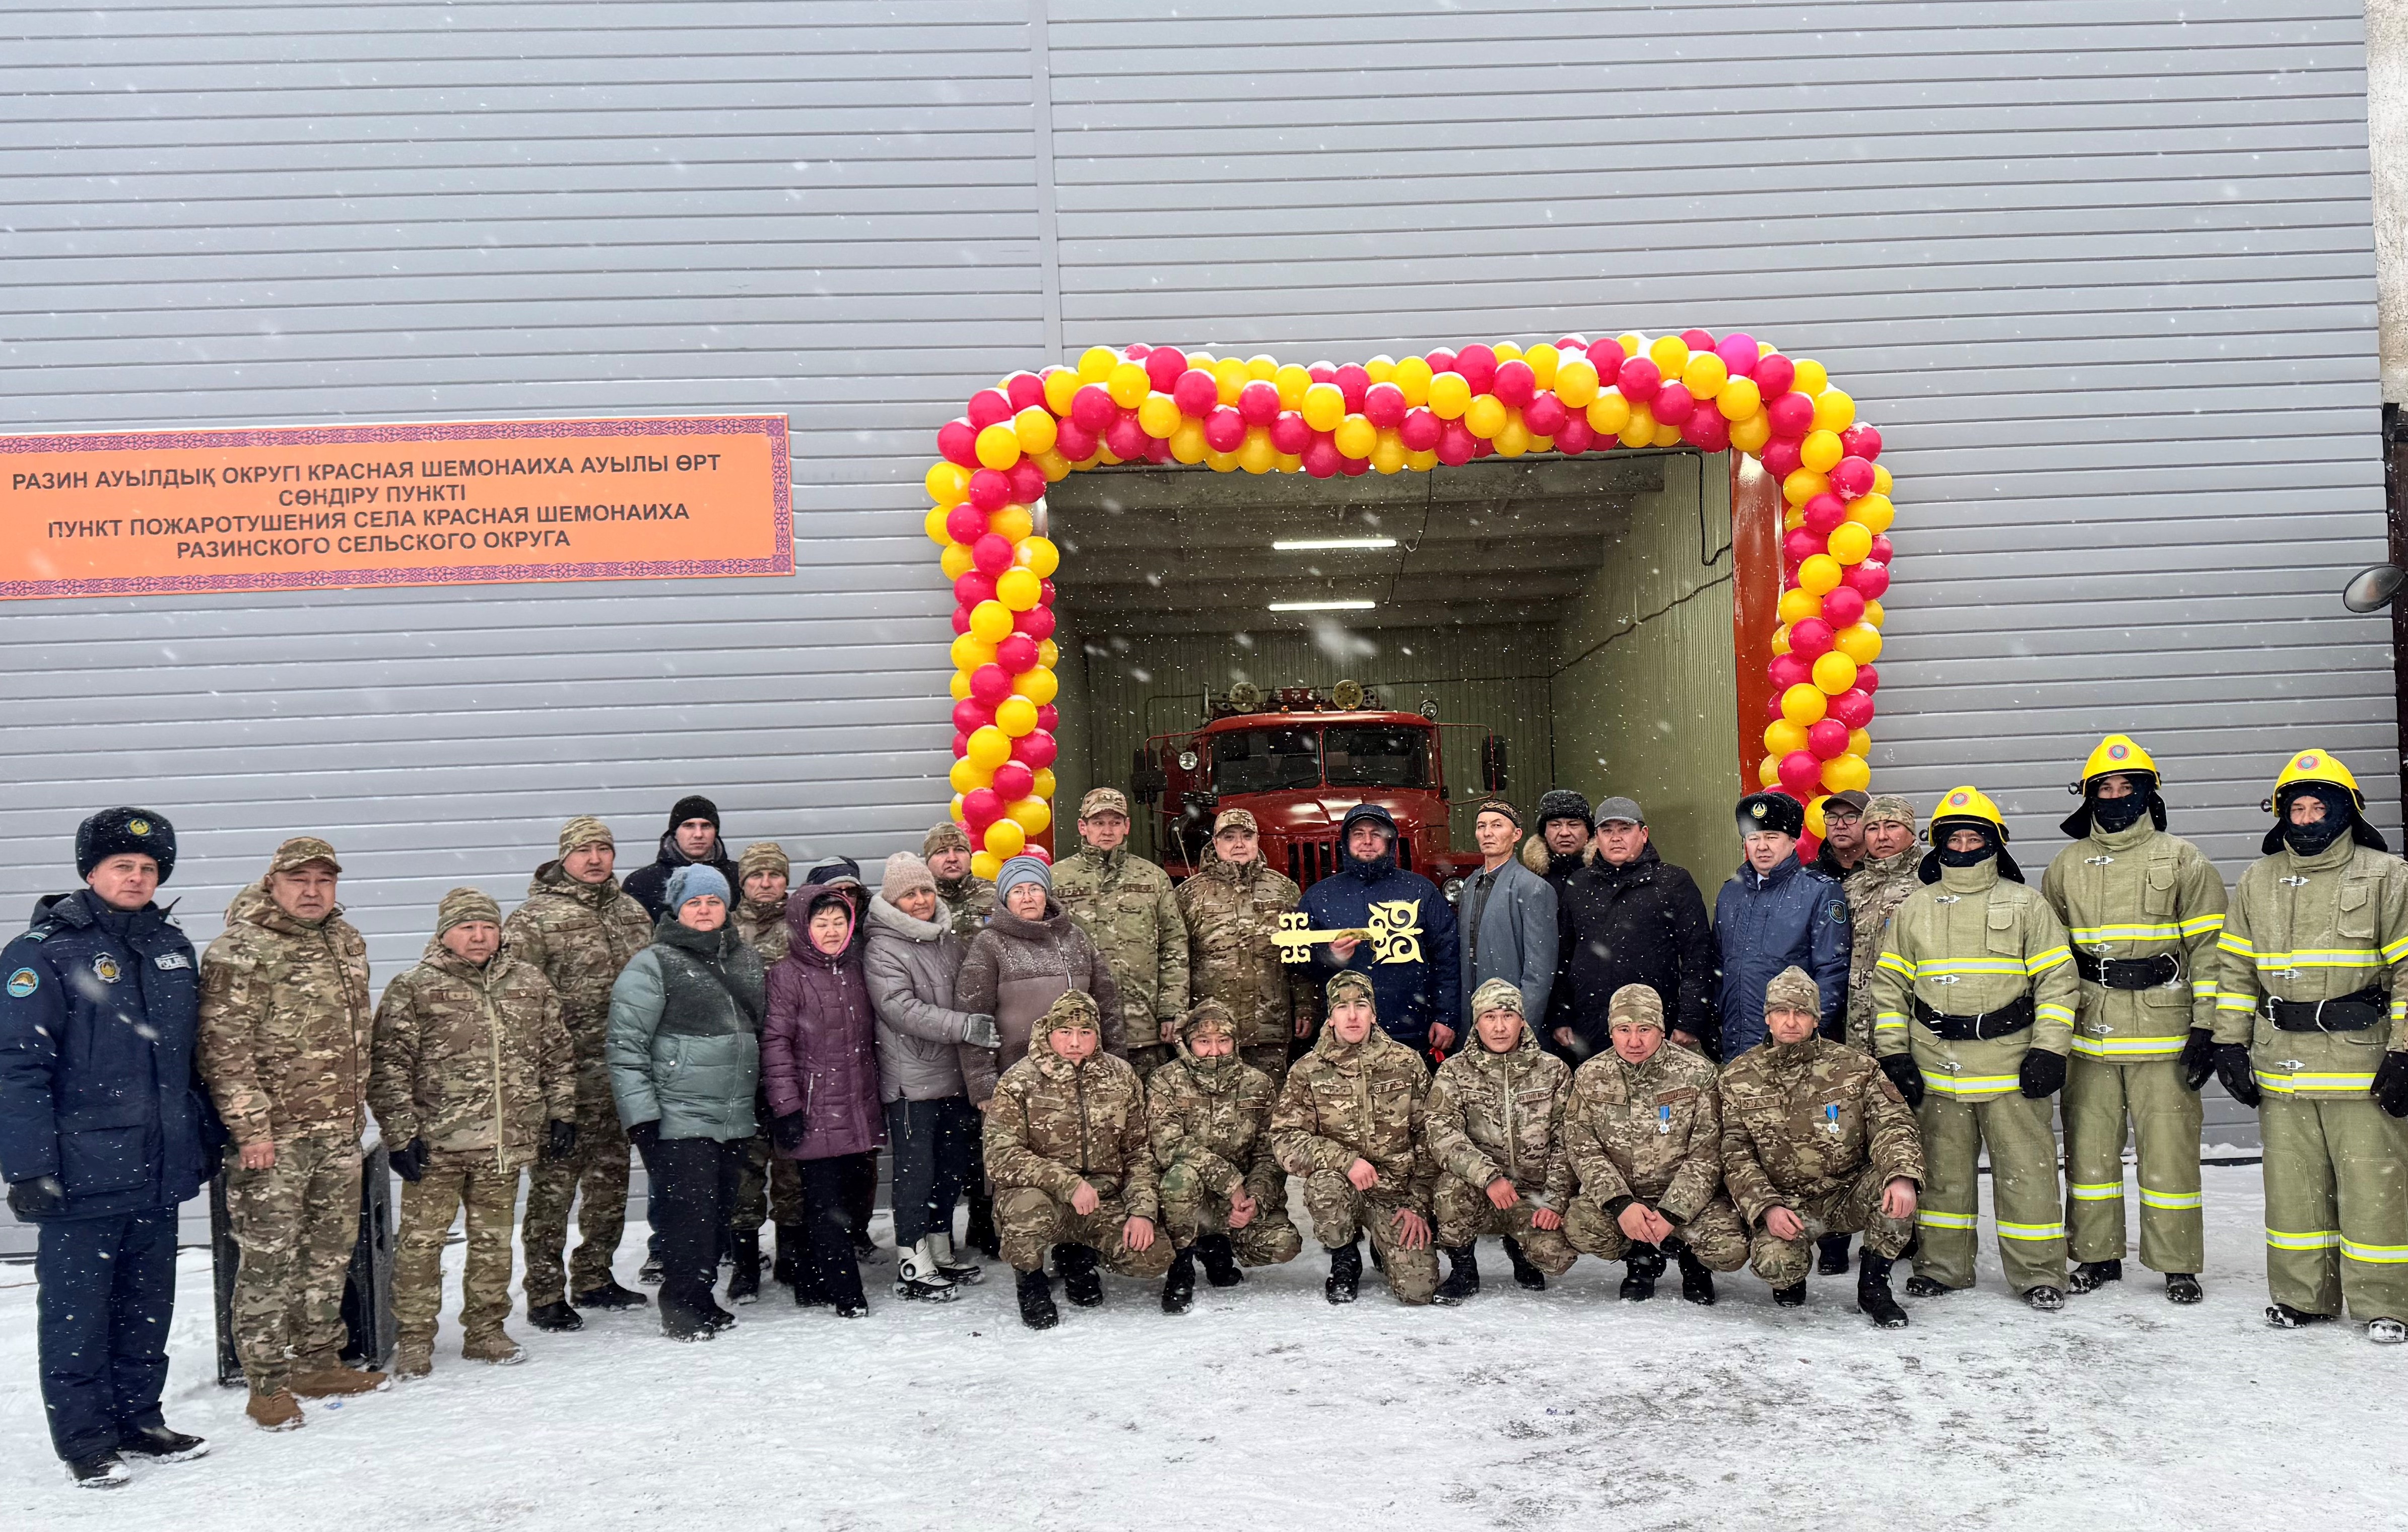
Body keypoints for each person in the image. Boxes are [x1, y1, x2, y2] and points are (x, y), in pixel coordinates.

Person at [0, 810, 218, 1488]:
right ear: (90, 871)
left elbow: (193, 1060)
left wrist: (203, 1137)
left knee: (147, 1303)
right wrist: (28, 1166)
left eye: (150, 868)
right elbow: (17, 1066)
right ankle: (86, 1440)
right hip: (82, 1174)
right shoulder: (42, 952)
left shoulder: (170, 946)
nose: (137, 876)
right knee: (78, 1313)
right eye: (122, 864)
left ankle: (140, 1421)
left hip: (158, 1168)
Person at [2213, 748, 2408, 1342]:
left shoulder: (2388, 873)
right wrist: (2228, 1042)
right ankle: (2303, 1297)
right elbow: (2235, 971)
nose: (2304, 816)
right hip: (2283, 1064)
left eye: (2316, 805)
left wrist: (2403, 1050)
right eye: (2294, 806)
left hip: (2359, 1063)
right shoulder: (2258, 878)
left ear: (2345, 809)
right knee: (2293, 1192)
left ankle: (2386, 1305)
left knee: (2374, 1192)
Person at [197, 836, 383, 1427]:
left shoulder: (345, 940)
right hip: (273, 1137)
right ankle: (266, 1380)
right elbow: (225, 1048)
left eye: (323, 880)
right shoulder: (240, 948)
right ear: (272, 882)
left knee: (328, 1252)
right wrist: (252, 1128)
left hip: (336, 1129)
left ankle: (317, 1357)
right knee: (268, 1257)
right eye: (299, 879)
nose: (312, 890)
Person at [1870, 787, 2079, 1311]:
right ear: (1938, 845)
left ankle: (2037, 1272)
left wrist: (2049, 1050)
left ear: (1994, 842)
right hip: (1937, 1065)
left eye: (1974, 836)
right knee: (1942, 1176)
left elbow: (2058, 979)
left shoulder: (2026, 903)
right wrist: (1895, 1054)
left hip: (2011, 1066)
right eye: (1953, 837)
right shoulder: (1915, 908)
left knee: (2027, 1176)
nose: (1963, 845)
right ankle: (1942, 1265)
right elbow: (1890, 987)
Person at [2041, 736, 2228, 1305]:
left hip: (2164, 1031)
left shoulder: (2184, 858)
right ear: (2089, 795)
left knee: (2168, 1153)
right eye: (2105, 787)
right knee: (2089, 1153)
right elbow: (2048, 958)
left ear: (2148, 793)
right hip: (2088, 1030)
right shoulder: (2065, 865)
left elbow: (2211, 950)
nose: (2116, 796)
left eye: (2127, 787)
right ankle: (2096, 1255)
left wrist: (2208, 1027)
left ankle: (2176, 1262)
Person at [368, 888, 576, 1377]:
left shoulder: (529, 983)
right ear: (444, 934)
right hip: (436, 1143)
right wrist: (400, 1133)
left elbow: (557, 1052)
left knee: (493, 1241)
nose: (479, 935)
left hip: (503, 1142)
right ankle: (416, 1336)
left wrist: (562, 1111)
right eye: (466, 926)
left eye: (488, 925)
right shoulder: (415, 987)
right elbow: (389, 1066)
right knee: (421, 1244)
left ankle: (486, 1330)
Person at [505, 816, 654, 1330]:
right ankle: (545, 1292)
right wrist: (536, 1087)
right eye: (584, 849)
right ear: (563, 856)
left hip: (622, 1077)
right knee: (553, 1190)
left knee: (610, 1184)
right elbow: (515, 1005)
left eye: (604, 849)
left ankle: (594, 1276)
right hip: (562, 1083)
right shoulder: (533, 920)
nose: (595, 858)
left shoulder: (633, 913)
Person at [607, 865, 765, 1341]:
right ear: (677, 909)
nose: (704, 910)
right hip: (679, 1115)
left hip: (733, 1113)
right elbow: (625, 1044)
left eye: (713, 901)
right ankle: (680, 1304)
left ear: (726, 907)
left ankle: (702, 1298)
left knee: (715, 1213)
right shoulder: (653, 963)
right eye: (694, 902)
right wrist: (641, 1119)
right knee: (687, 1217)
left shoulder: (745, 960)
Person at [1718, 967, 1923, 1326]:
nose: (1792, 1021)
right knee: (1776, 1265)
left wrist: (1900, 1174)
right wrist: (1766, 1208)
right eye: (1783, 1011)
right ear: (1768, 1017)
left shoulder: (1856, 1068)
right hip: (1786, 1203)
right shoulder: (1738, 1077)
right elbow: (1736, 1154)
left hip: (1847, 1192)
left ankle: (1874, 1287)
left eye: (1802, 1012)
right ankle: (1792, 1277)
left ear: (1816, 1019)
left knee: (1896, 1190)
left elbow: (1893, 1123)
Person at [985, 990, 1174, 1329]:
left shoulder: (1121, 1076)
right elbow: (1000, 1155)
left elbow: (1138, 1152)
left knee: (1154, 1256)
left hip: (1103, 1198)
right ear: (1048, 1032)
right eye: (1065, 1032)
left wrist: (1142, 1211)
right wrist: (1068, 1183)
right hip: (1044, 1196)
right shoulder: (1019, 1080)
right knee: (1026, 1213)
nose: (1075, 1042)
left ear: (1097, 1035)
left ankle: (1077, 1258)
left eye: (1085, 1032)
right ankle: (1031, 1282)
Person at [1560, 983, 1749, 1303]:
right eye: (1624, 1030)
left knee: (1730, 1250)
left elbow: (1709, 1152)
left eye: (1644, 1029)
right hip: (1628, 1196)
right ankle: (1641, 1258)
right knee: (1580, 1226)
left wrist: (1673, 1213)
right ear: (1611, 1032)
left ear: (1661, 1030)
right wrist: (1620, 1204)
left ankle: (1694, 1262)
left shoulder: (1698, 1074)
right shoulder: (1591, 1076)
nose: (1634, 1041)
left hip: (1690, 1199)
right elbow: (1583, 1148)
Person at [864, 853, 998, 1300]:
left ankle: (940, 1246)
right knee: (916, 1171)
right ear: (892, 900)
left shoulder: (947, 939)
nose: (921, 900)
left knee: (950, 1167)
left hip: (951, 1074)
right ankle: (912, 1255)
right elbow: (899, 1008)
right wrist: (963, 1026)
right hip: (911, 1080)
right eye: (910, 894)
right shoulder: (882, 947)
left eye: (925, 890)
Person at [1269, 970, 1442, 1305]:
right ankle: (1344, 1256)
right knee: (1323, 1185)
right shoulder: (1308, 1069)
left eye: (1361, 1005)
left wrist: (1418, 1202)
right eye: (1342, 1007)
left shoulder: (1406, 1062)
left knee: (1419, 1290)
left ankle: (1383, 1241)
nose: (1352, 1015)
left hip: (1397, 1191)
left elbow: (1431, 1136)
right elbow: (1285, 1139)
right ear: (1330, 1017)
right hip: (1342, 1185)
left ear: (1373, 1014)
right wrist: (1346, 1161)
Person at [760, 880, 884, 1317]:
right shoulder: (786, 975)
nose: (832, 931)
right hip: (814, 1108)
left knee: (850, 1200)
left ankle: (813, 1279)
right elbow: (776, 1044)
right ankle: (846, 1292)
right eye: (821, 923)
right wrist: (787, 1106)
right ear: (802, 926)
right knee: (823, 1205)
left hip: (856, 1106)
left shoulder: (854, 969)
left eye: (839, 922)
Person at [1819, 792, 1923, 1276]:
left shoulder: (1930, 882)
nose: (1882, 837)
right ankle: (1846, 1227)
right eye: (1875, 828)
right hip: (1855, 1031)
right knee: (1851, 1130)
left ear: (1911, 831)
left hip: (1909, 1029)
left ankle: (1911, 1229)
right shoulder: (1852, 887)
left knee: (1911, 1128)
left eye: (1892, 828)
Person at [1424, 977, 1577, 1302]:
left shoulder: (1553, 1071)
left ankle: (1521, 1247)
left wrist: (1555, 1199)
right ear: (1476, 1024)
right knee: (1450, 1189)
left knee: (1557, 1257)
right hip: (1479, 1191)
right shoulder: (1454, 1071)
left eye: (1508, 1016)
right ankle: (1464, 1268)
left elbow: (1570, 1139)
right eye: (1489, 1017)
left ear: (1522, 1021)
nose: (1499, 1027)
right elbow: (1441, 1133)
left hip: (1532, 1196)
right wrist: (1489, 1177)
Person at [1146, 1000, 1301, 1313]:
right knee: (1181, 1178)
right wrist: (1229, 1180)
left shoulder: (1258, 1085)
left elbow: (1269, 1153)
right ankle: (1182, 1264)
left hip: (1236, 1202)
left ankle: (1217, 1247)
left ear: (1235, 1042)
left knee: (1283, 1244)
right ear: (1189, 1043)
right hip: (1187, 1201)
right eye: (1204, 1042)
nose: (1214, 1051)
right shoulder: (1165, 1081)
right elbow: (1169, 1145)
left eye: (1223, 1041)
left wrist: (1255, 1198)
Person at [1546, 796, 1716, 1063]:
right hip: (1590, 1027)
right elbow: (1562, 957)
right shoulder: (1578, 885)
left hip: (1653, 1026)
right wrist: (1560, 1015)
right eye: (1607, 830)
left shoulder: (1673, 883)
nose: (1616, 838)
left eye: (1624, 829)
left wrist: (1690, 1020)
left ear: (1643, 834)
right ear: (1596, 837)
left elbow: (1699, 957)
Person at [1298, 803, 1462, 1063]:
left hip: (1411, 1030)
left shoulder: (1419, 891)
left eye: (1376, 834)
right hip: (1342, 1034)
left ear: (1390, 840)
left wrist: (1446, 1016)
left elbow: (1447, 957)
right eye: (1358, 834)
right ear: (1346, 841)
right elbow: (1300, 962)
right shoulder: (1320, 897)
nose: (1367, 841)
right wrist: (1331, 956)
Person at [957, 854, 1123, 1104]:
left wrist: (1117, 1065)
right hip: (1016, 1079)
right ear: (1004, 898)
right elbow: (975, 1017)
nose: (1027, 898)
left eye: (1035, 889)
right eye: (1017, 891)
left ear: (1046, 895)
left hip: (1082, 1075)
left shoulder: (1074, 937)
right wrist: (983, 1086)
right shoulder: (990, 944)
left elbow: (1107, 1005)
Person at [1055, 787, 1189, 1076]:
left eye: (1115, 822)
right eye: (1098, 822)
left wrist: (1171, 1010)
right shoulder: (1057, 880)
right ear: (1083, 827)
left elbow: (1174, 946)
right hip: (1079, 1030)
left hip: (1143, 1026)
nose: (1107, 830)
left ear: (1127, 826)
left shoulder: (1153, 878)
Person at [1713, 792, 1850, 1060]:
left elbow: (1833, 970)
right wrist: (1714, 1022)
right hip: (1736, 1044)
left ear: (1792, 840)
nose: (1761, 846)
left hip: (1792, 1046)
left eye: (1772, 837)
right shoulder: (1730, 893)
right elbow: (1718, 966)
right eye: (1754, 838)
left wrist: (1809, 1033)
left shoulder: (1819, 891)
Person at [1177, 808, 1307, 1088]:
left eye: (1246, 836)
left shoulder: (1284, 889)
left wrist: (1306, 1006)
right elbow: (1177, 960)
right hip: (1211, 1031)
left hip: (1270, 1024)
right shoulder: (1189, 894)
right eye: (1230, 837)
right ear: (1215, 842)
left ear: (1257, 840)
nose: (1239, 844)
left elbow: (1300, 956)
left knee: (1268, 1104)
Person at [728, 840, 798, 1301]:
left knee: (794, 1166)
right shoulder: (725, 928)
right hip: (741, 1066)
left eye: (774, 875)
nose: (766, 883)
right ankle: (746, 1262)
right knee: (745, 1171)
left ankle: (793, 1254)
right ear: (743, 882)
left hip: (796, 1062)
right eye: (757, 876)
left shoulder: (803, 924)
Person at [1457, 798, 1559, 1032]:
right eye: (1481, 826)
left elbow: (1540, 972)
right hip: (1473, 1016)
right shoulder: (1471, 884)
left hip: (1509, 1021)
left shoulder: (1533, 888)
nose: (1487, 833)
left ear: (1516, 835)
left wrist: (1524, 1024)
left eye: (1497, 825)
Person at [622, 793, 742, 921]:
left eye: (706, 826)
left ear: (715, 832)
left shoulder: (739, 877)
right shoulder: (642, 883)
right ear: (675, 832)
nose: (698, 834)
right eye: (689, 826)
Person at [1520, 787, 1595, 901]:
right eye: (1556, 825)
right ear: (1544, 833)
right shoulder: (1527, 880)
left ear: (1588, 832)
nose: (1564, 833)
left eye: (1573, 825)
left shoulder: (1608, 875)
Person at [925, 821, 995, 939]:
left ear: (970, 857)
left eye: (959, 850)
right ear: (928, 861)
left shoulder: (996, 894)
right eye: (942, 852)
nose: (952, 859)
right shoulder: (918, 900)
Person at [1810, 789, 1871, 879]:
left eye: (1850, 817)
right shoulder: (1810, 876)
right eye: (1832, 817)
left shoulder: (1886, 870)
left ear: (1869, 822)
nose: (1840, 825)